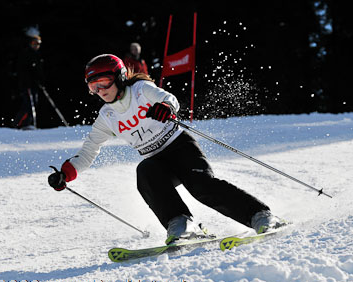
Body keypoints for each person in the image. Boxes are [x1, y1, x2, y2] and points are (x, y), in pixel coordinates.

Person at [48, 54, 283, 245]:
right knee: (145, 171)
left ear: (119, 77)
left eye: (104, 82)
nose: (100, 90)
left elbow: (169, 98)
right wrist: (65, 173)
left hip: (180, 147)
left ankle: (260, 215)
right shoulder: (107, 117)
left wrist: (165, 107)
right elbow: (89, 151)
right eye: (93, 86)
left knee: (200, 185)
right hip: (157, 162)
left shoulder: (140, 89)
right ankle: (181, 224)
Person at [13, 27, 45, 129]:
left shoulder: (37, 55)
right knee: (28, 105)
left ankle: (27, 124)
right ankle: (21, 124)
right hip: (27, 84)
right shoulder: (26, 54)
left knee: (33, 104)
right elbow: (24, 70)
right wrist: (29, 79)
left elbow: (38, 71)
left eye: (38, 44)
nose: (36, 46)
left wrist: (40, 81)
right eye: (34, 44)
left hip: (34, 84)